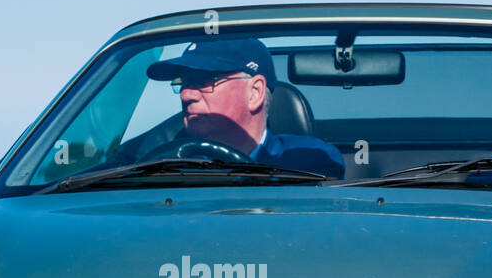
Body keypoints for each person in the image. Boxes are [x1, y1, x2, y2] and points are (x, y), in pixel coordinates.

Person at [142, 38, 346, 178]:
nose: (186, 94)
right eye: (183, 82)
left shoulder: (308, 161)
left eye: (204, 80)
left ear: (255, 92)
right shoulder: (157, 163)